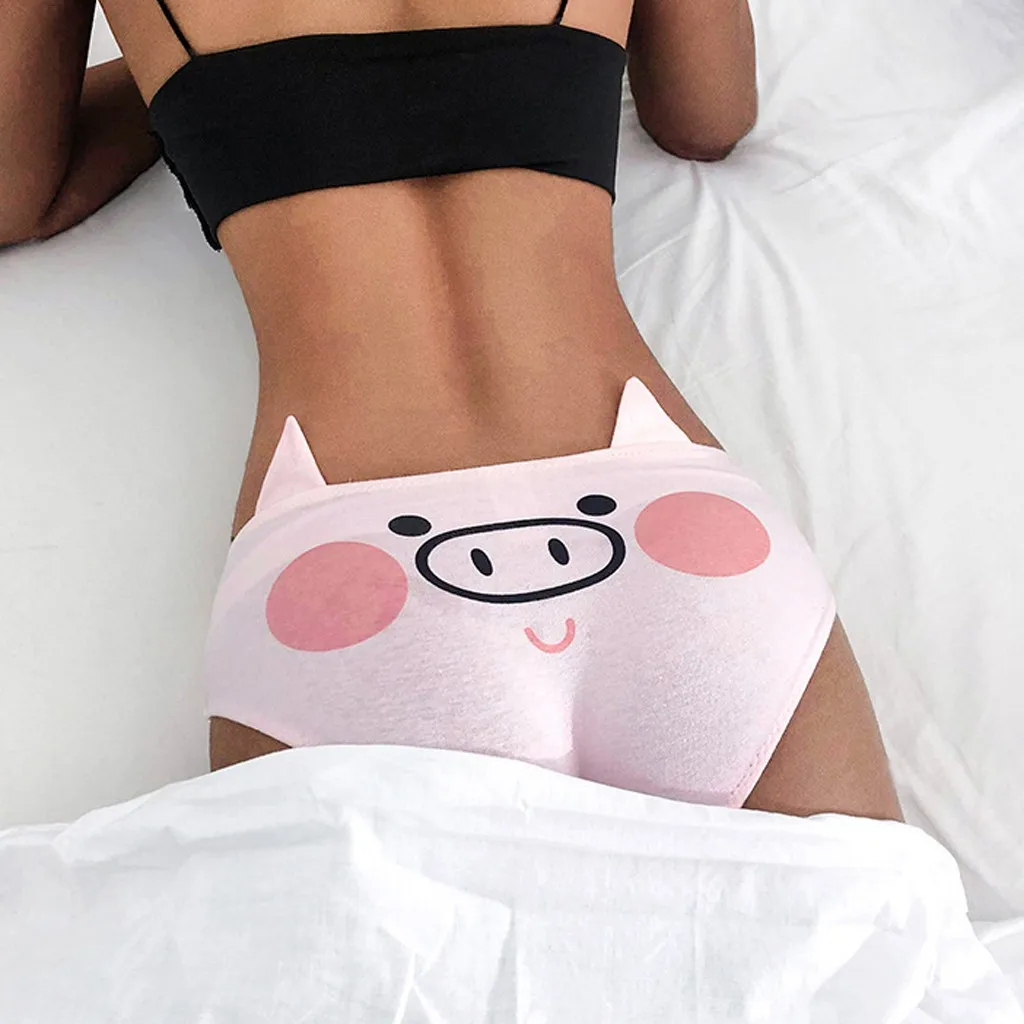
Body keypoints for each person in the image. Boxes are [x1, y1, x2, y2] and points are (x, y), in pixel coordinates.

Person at [0, 0, 903, 821]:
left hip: (347, 557)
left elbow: (13, 194)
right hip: (672, 529)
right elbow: (707, 118)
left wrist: (189, 88)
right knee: (857, 944)